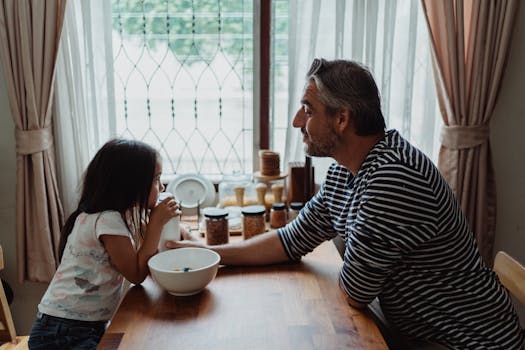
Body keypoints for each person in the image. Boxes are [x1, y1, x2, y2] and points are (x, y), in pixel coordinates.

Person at [170, 59, 525, 349]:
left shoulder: (393, 179)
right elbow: (290, 239)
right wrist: (212, 255)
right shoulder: (346, 169)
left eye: (307, 109)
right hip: (414, 335)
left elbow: (354, 291)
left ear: (341, 119)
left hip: (463, 343)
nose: (297, 121)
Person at [28, 139, 181, 350]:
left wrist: (155, 226)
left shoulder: (116, 216)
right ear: (130, 183)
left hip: (77, 326)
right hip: (63, 333)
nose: (162, 186)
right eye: (156, 179)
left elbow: (147, 260)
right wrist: (155, 225)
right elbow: (136, 274)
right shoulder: (107, 220)